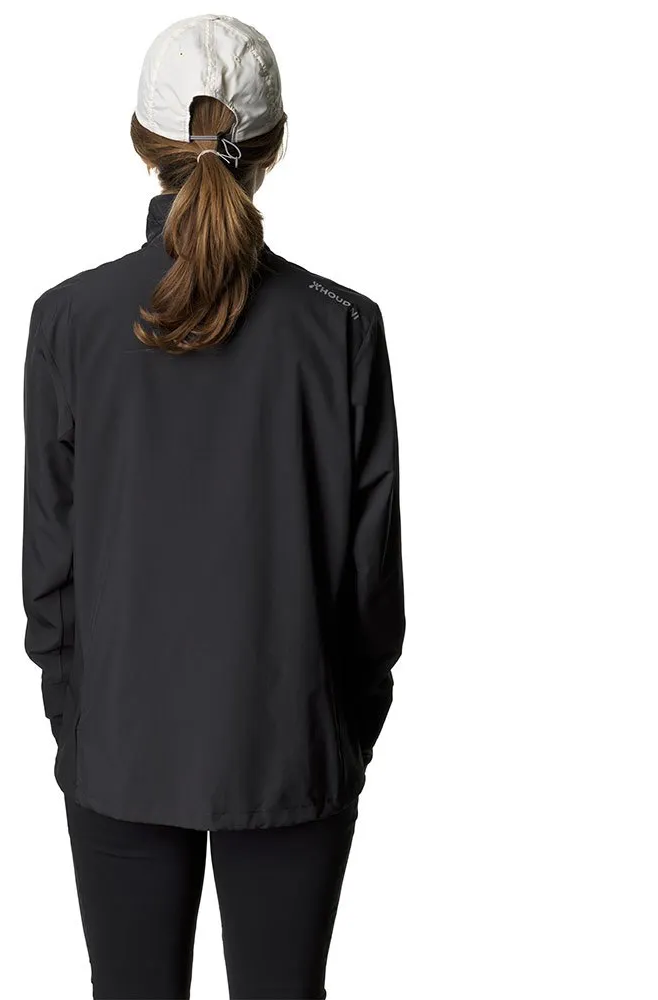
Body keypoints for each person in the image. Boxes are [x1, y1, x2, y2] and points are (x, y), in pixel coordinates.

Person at [21, 14, 405, 999]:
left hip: (120, 741)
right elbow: (370, 589)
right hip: (289, 746)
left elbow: (50, 572)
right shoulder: (342, 327)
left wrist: (79, 720)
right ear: (274, 146)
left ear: (139, 142)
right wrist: (340, 735)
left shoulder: (68, 321)